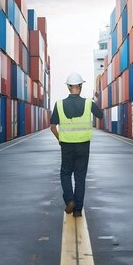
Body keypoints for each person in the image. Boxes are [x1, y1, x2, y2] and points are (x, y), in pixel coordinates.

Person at [50, 72, 104, 217]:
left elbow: (52, 127)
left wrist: (60, 139)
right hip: (83, 145)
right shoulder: (88, 103)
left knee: (65, 173)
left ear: (68, 87)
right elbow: (101, 115)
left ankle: (69, 200)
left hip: (66, 145)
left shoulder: (59, 104)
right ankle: (78, 210)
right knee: (80, 176)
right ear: (80, 86)